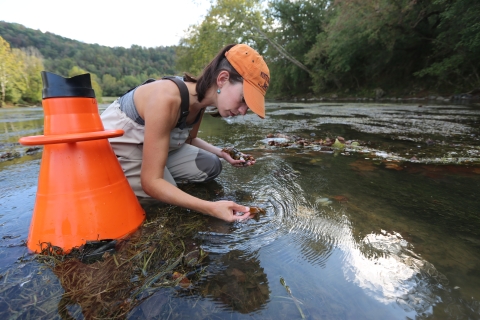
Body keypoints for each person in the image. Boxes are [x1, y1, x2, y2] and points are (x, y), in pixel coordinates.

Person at [100, 44, 270, 222]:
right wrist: (211, 208)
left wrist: (223, 153)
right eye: (243, 99)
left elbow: (189, 139)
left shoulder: (202, 101)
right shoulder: (166, 98)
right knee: (162, 194)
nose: (243, 111)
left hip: (147, 149)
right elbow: (150, 183)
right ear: (222, 79)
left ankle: (161, 176)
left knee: (211, 164)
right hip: (110, 153)